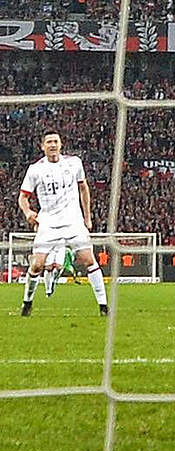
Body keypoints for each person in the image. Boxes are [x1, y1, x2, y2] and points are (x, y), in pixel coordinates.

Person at [18, 131, 108, 316]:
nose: (52, 145)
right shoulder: (35, 169)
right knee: (36, 265)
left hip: (73, 221)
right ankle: (27, 302)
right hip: (48, 223)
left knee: (89, 260)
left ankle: (103, 306)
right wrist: (27, 212)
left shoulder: (73, 163)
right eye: (49, 142)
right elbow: (23, 197)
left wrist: (87, 217)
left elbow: (84, 188)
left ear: (61, 144)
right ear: (42, 146)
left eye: (55, 142)